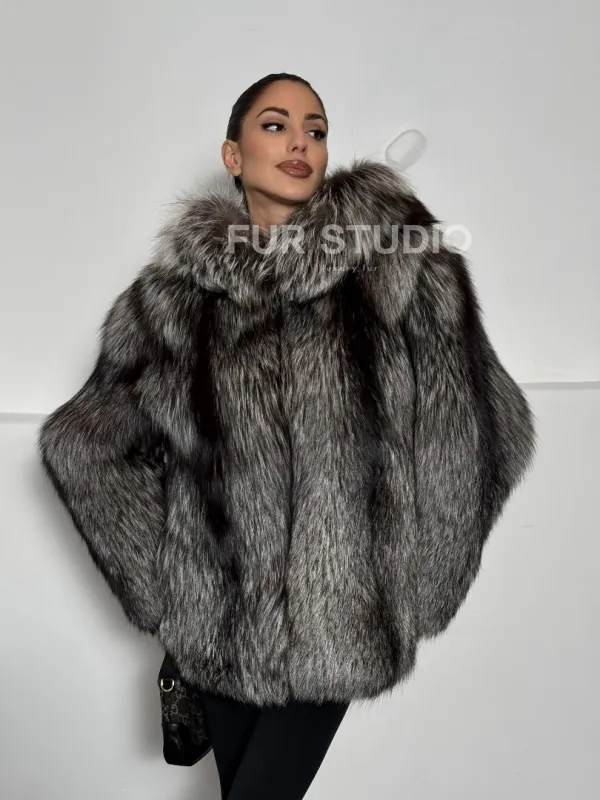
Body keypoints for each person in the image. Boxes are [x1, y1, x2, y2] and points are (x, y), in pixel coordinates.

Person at [36, 72, 537, 799]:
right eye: (275, 125)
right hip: (215, 629)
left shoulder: (399, 264)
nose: (300, 142)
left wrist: (415, 583)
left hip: (342, 620)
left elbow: (487, 428)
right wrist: (170, 588)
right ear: (233, 155)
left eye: (316, 129)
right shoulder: (170, 300)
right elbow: (82, 446)